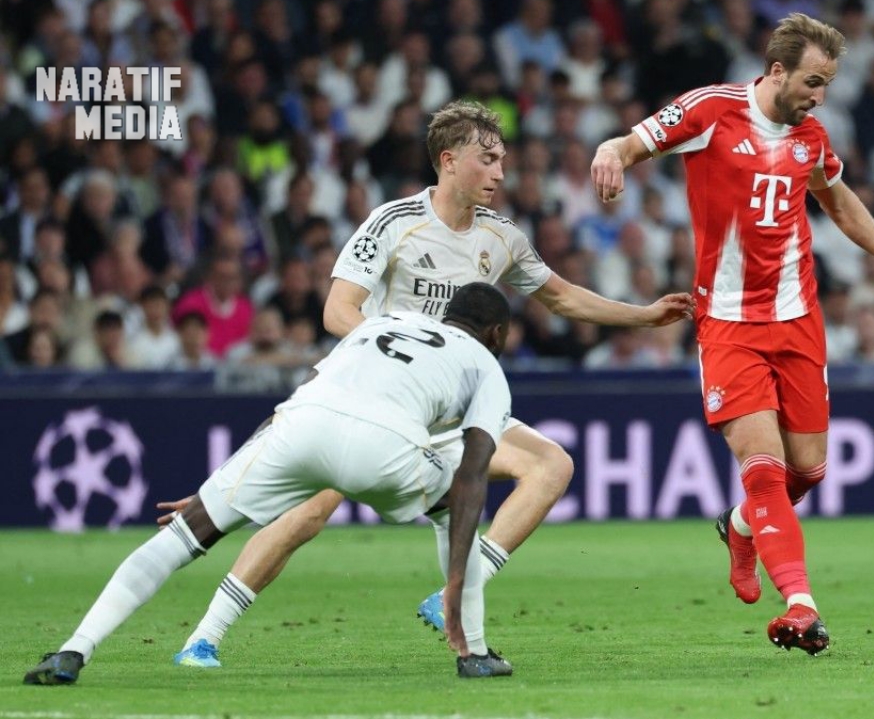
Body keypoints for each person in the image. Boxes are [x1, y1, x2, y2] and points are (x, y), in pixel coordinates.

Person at [158, 101, 694, 667]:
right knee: (307, 513)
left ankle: (455, 593)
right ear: (449, 160)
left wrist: (644, 315)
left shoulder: (502, 237)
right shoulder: (393, 223)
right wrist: (396, 362)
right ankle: (204, 637)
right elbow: (339, 312)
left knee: (552, 465)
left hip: (452, 415)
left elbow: (560, 296)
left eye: (503, 161)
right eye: (488, 160)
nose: (500, 173)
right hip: (378, 403)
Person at [590, 13, 874, 654]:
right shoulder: (709, 111)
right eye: (812, 80)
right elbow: (630, 144)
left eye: (828, 83)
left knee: (810, 471)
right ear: (776, 70)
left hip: (798, 318)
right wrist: (609, 152)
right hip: (727, 324)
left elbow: (838, 201)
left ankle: (741, 527)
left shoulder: (812, 136)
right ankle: (801, 606)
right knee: (765, 470)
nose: (819, 96)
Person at [25, 283, 515, 685]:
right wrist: (454, 577)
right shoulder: (486, 366)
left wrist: (217, 492)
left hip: (299, 427)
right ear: (496, 332)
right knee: (454, 501)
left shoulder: (383, 322)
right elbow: (473, 473)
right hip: (385, 449)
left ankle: (73, 650)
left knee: (181, 535)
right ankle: (471, 652)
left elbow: (302, 397)